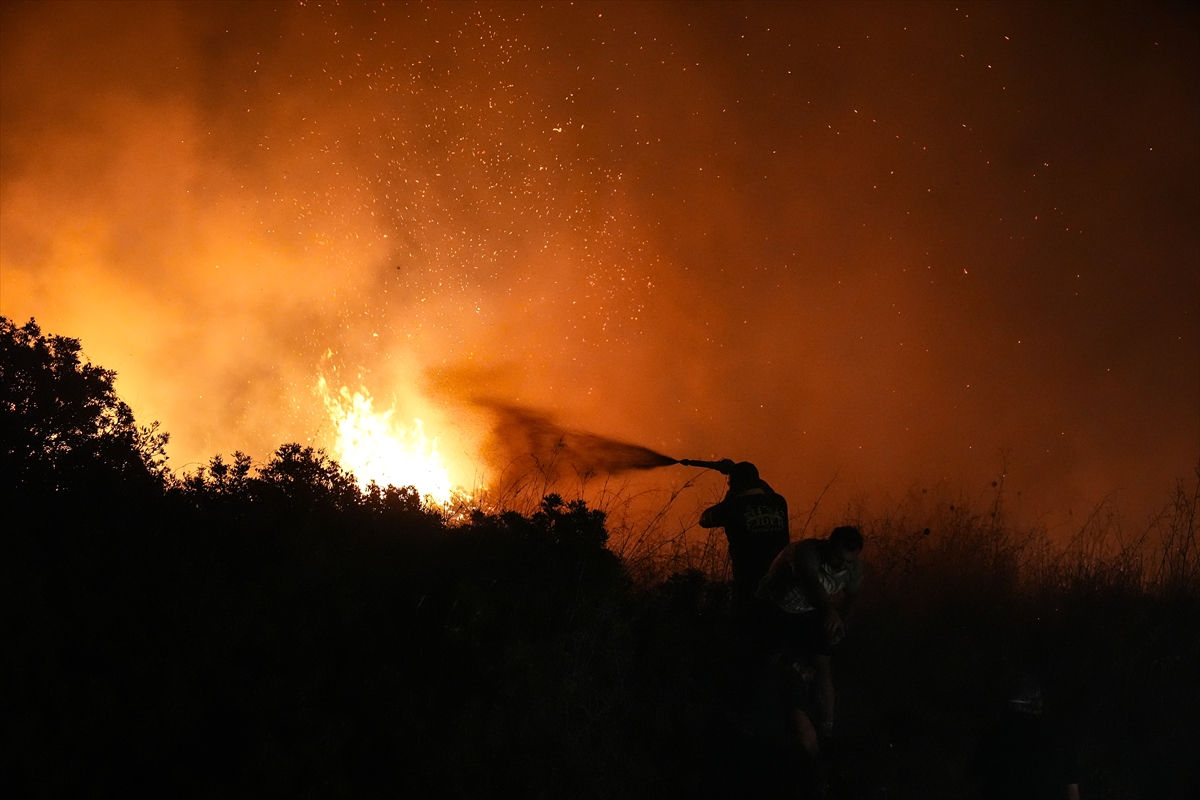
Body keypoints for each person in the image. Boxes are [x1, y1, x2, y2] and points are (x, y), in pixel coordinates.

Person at [756, 526, 864, 765]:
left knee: (822, 662)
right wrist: (830, 613)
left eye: (849, 560)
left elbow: (852, 597)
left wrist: (840, 624)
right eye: (838, 558)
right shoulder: (806, 551)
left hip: (807, 612)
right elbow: (810, 584)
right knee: (777, 665)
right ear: (828, 545)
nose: (842, 565)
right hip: (773, 608)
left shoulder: (854, 568)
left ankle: (826, 734)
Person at [695, 460, 790, 621]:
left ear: (734, 486)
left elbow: (704, 519)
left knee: (746, 627)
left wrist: (731, 490)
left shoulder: (731, 507)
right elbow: (765, 491)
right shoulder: (779, 502)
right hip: (782, 581)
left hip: (748, 582)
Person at [978, 673, 1081, 800]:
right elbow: (1072, 791)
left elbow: (978, 782)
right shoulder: (1059, 737)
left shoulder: (992, 736)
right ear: (1039, 701)